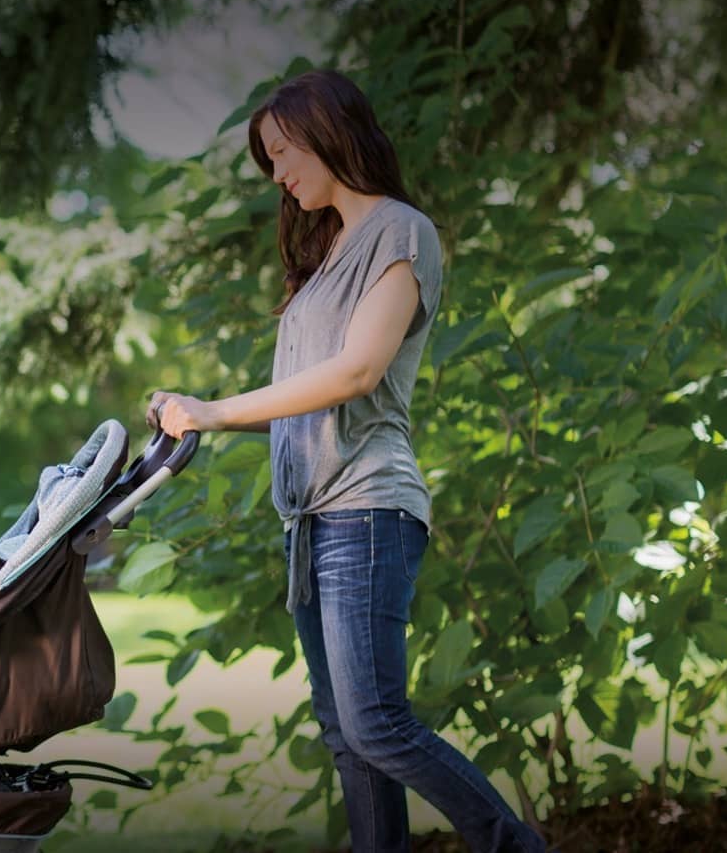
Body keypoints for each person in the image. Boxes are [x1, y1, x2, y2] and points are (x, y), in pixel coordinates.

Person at [144, 69, 552, 853]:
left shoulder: (401, 233)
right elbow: (304, 402)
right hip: (312, 522)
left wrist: (219, 408)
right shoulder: (324, 261)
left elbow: (359, 373)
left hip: (367, 509)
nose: (279, 173)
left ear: (332, 133)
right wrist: (196, 410)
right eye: (268, 159)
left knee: (378, 725)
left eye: (285, 151)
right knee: (346, 736)